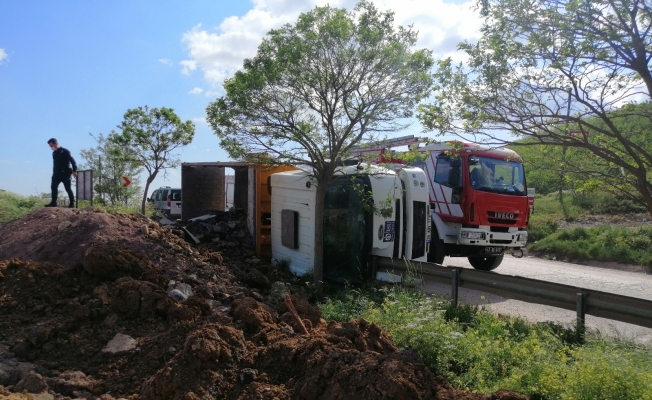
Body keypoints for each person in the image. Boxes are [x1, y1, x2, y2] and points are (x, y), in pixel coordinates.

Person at [45, 138, 78, 207]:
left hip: (65, 173)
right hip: (56, 174)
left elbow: (73, 162)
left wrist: (74, 171)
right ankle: (53, 202)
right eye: (50, 146)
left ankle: (72, 204)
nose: (51, 147)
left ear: (55, 144)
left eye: (51, 145)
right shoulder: (54, 153)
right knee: (53, 187)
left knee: (68, 188)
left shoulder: (65, 151)